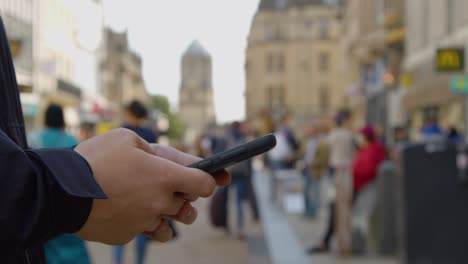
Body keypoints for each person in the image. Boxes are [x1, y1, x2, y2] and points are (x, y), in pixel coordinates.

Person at [0, 17, 230, 263]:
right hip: (44, 226)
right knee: (141, 225)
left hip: (38, 233)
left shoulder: (40, 137)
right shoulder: (71, 140)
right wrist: (68, 195)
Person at [30, 104, 92, 264]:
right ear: (62, 120)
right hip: (70, 204)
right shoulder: (72, 141)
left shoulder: (33, 138)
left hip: (41, 207)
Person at [113, 100, 158, 264]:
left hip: (121, 187)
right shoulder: (150, 133)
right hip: (145, 189)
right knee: (142, 230)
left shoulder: (120, 131)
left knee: (119, 232)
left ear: (130, 113)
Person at [307, 111, 354, 255]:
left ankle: (337, 244)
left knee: (336, 210)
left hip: (335, 174)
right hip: (347, 174)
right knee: (344, 212)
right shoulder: (348, 135)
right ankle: (344, 245)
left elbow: (322, 158)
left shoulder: (331, 137)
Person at [225, 122, 250, 239]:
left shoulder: (229, 137)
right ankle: (239, 228)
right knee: (239, 202)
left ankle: (227, 226)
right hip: (240, 173)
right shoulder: (242, 138)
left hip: (229, 172)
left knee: (227, 201)